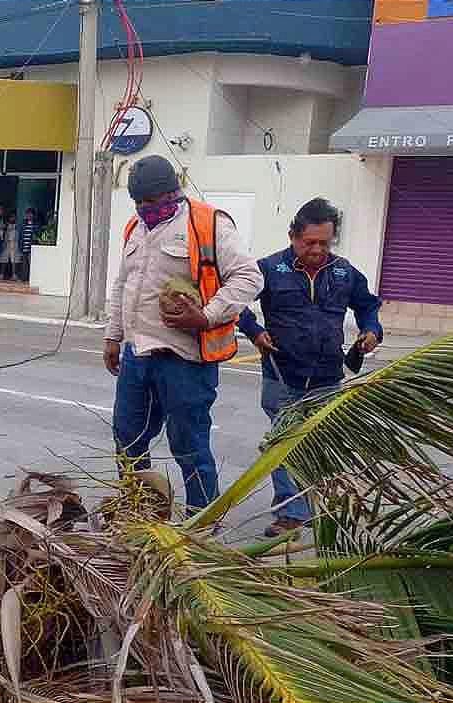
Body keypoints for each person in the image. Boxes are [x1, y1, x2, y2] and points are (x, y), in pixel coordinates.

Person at [104, 156, 263, 513]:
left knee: (188, 444)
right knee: (127, 439)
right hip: (137, 355)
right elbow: (124, 285)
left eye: (153, 202)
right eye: (139, 203)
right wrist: (113, 336)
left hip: (185, 360)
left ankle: (200, 524)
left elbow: (249, 277)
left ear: (174, 193)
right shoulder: (135, 228)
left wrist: (206, 317)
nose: (146, 209)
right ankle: (138, 513)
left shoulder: (207, 224)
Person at [237, 197, 383, 537]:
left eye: (324, 243)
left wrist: (371, 330)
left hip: (327, 376)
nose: (317, 249)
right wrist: (255, 331)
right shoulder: (270, 268)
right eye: (309, 242)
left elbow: (368, 306)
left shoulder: (344, 272)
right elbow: (235, 301)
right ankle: (291, 513)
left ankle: (315, 503)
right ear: (293, 236)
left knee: (316, 442)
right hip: (282, 374)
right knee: (284, 441)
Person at [18, 208, 38, 282]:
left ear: (33, 215)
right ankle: (24, 278)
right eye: (27, 214)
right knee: (24, 264)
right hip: (24, 247)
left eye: (30, 214)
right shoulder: (23, 224)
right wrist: (20, 246)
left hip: (31, 247)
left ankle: (32, 278)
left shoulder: (35, 224)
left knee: (31, 264)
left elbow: (36, 235)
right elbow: (20, 236)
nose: (29, 216)